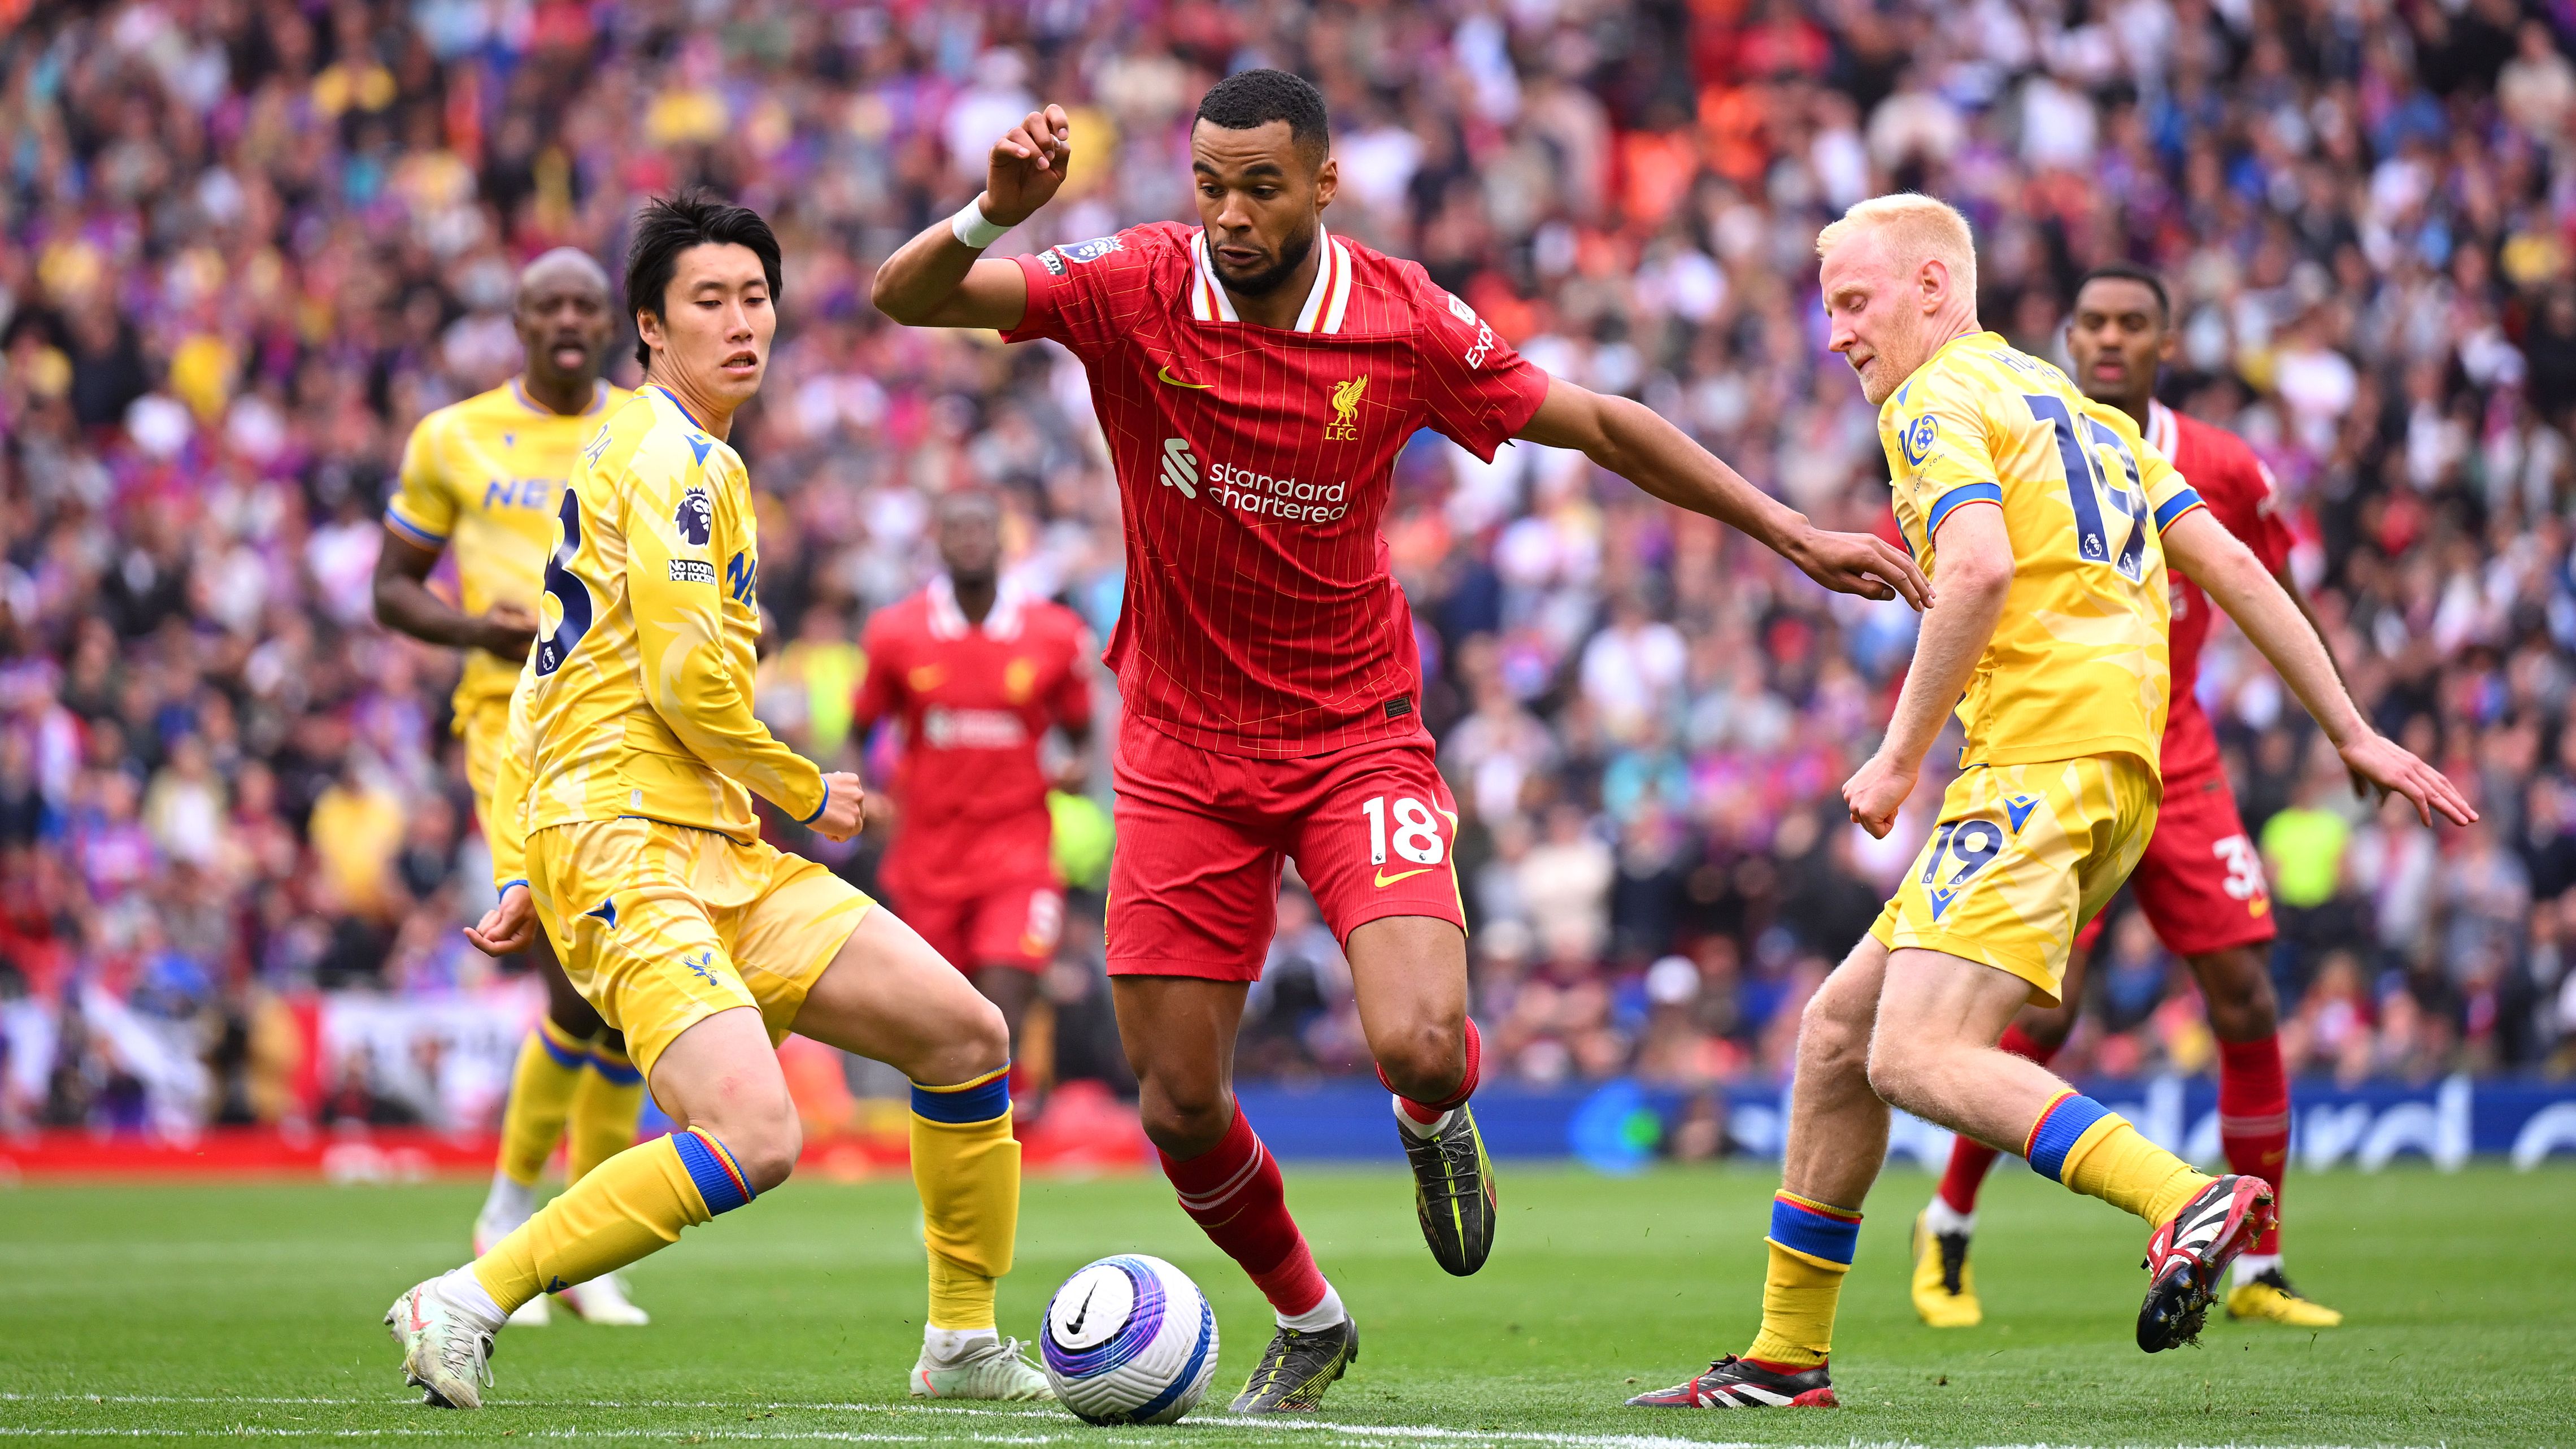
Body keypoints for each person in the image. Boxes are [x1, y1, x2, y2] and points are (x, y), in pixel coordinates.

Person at [870, 68, 1931, 1413]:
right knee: (1178, 1102)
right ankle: (1310, 1317)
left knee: (1422, 1042)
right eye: (1210, 185)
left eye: (1261, 185)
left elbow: (1595, 421)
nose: (1231, 214)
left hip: (1351, 733)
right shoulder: (1131, 283)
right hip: (1179, 747)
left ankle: (1435, 1120)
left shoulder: (1400, 315)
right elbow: (907, 299)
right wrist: (989, 212)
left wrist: (1789, 528)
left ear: (1323, 183)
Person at [1626, 194, 2474, 1412]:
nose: (1836, 336)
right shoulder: (2069, 403)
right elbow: (2227, 563)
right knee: (1833, 1038)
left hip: (2035, 763)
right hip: (2113, 767)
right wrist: (2349, 727)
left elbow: (1973, 568)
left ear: (1932, 286)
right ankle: (1784, 1356)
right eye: (1827, 311)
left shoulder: (1934, 402)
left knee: (1917, 1051)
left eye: (1854, 302)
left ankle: (2183, 1198)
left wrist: (1896, 754)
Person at [383, 193, 1043, 1410]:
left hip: (700, 843)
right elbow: (691, 686)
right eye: (709, 301)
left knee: (966, 1038)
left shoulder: (656, 450)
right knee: (759, 1135)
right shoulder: (677, 460)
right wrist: (810, 788)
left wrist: (524, 861)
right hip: (632, 844)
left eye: (757, 297)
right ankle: (470, 1295)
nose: (743, 322)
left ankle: (961, 1342)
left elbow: (544, 675)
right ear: (650, 325)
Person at [1907, 264, 2346, 1333]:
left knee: (2244, 994)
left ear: (2168, 341)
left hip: (2178, 751)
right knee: (2043, 1011)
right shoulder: (2031, 428)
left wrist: (2343, 729)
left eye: (2131, 323)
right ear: (2066, 334)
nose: (2108, 338)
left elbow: (2257, 578)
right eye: (2092, 321)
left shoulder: (2227, 468)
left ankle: (2258, 1269)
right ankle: (1949, 1226)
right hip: (2059, 748)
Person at [373, 249, 648, 1329]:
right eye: (550, 305)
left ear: (614, 319)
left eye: (588, 303)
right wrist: (470, 625)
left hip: (632, 734)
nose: (571, 320)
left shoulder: (645, 426)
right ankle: (508, 1220)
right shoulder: (454, 437)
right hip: (514, 736)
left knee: (634, 997)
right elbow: (392, 590)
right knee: (574, 987)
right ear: (521, 321)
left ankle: (580, 1247)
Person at [852, 489, 1094, 1067]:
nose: (968, 539)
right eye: (955, 528)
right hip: (928, 855)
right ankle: (968, 1138)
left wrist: (1076, 767)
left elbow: (1080, 731)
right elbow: (861, 730)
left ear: (1001, 541)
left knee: (1004, 1000)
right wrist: (864, 797)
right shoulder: (897, 633)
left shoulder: (1055, 634)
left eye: (979, 528)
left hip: (1019, 849)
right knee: (942, 1021)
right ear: (937, 542)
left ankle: (1012, 1116)